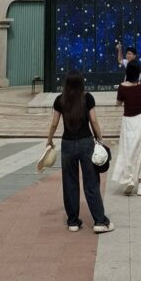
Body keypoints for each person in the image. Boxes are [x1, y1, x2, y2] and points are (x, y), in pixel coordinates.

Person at [46, 70, 115, 234]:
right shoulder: (87, 98)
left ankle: (73, 222)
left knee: (69, 182)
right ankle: (99, 221)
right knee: (91, 183)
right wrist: (100, 138)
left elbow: (54, 123)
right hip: (86, 143)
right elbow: (94, 120)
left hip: (67, 144)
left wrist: (49, 139)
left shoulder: (60, 100)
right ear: (81, 83)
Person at [112, 60, 141, 196]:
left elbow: (118, 104)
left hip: (128, 122)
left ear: (127, 72)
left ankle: (129, 180)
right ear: (139, 73)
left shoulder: (122, 87)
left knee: (127, 151)